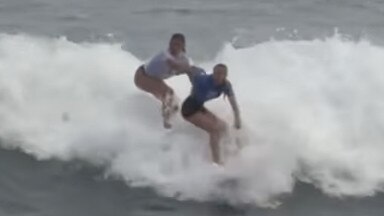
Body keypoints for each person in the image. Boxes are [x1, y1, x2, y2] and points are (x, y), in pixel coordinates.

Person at [182, 64, 241, 165]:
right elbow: (192, 71)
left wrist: (237, 118)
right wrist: (183, 68)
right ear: (213, 73)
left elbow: (234, 104)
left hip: (199, 108)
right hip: (189, 109)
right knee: (214, 130)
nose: (218, 76)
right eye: (216, 73)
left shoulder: (226, 86)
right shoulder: (203, 80)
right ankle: (216, 163)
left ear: (225, 75)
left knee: (224, 127)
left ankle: (229, 151)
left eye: (221, 74)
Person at [134, 33, 190, 128]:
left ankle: (164, 123)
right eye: (172, 44)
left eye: (177, 45)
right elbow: (174, 65)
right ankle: (166, 123)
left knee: (175, 105)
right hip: (142, 76)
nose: (174, 47)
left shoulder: (183, 58)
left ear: (183, 46)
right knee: (169, 95)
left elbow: (186, 67)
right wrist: (185, 69)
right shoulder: (165, 56)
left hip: (154, 79)